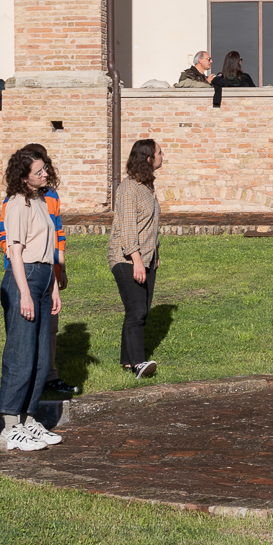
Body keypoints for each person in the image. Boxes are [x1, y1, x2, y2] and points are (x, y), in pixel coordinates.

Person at [0, 145, 63, 453]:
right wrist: (24, 292)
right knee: (22, 354)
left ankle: (29, 417)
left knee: (40, 355)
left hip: (43, 278)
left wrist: (53, 288)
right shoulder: (17, 203)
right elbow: (15, 252)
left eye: (44, 168)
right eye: (38, 171)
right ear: (23, 177)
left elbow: (48, 248)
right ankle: (11, 425)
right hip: (24, 279)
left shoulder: (40, 201)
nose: (45, 173)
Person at [109, 136, 164, 379]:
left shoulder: (146, 186)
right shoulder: (129, 187)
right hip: (126, 258)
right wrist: (137, 260)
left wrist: (155, 254)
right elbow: (129, 228)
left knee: (139, 309)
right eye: (160, 153)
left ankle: (127, 361)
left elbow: (149, 225)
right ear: (149, 158)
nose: (164, 156)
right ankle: (139, 363)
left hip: (146, 258)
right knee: (137, 311)